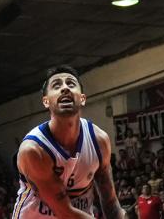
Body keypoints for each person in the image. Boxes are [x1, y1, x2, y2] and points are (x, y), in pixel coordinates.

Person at [12, 66, 125, 219]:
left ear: (83, 98)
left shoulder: (99, 141)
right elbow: (65, 213)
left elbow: (111, 203)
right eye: (56, 85)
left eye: (71, 84)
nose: (65, 88)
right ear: (46, 101)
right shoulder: (33, 150)